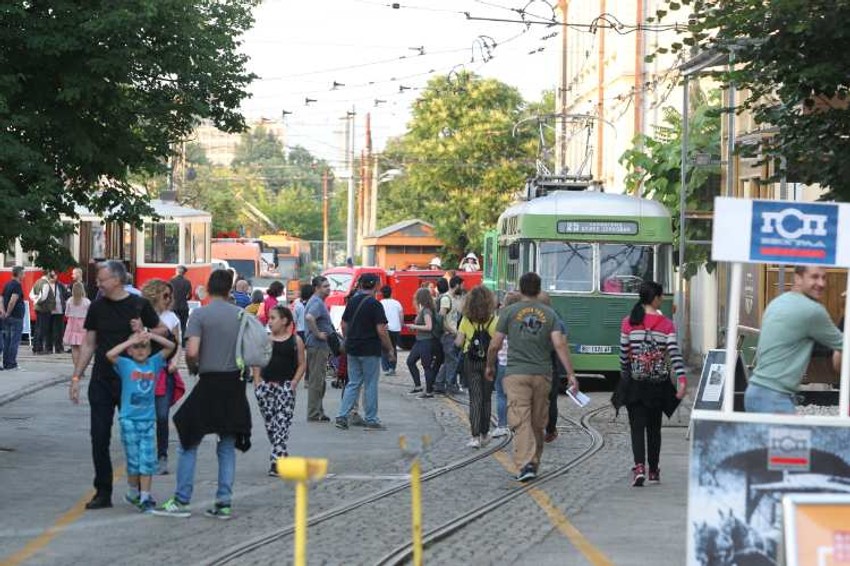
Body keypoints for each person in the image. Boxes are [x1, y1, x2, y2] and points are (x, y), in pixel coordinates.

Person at [154, 269, 253, 519]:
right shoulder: (240, 314)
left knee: (188, 438)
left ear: (208, 288)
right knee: (227, 444)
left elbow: (192, 351)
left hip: (210, 382)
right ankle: (223, 503)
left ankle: (182, 499)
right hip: (235, 384)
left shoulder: (200, 315)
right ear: (230, 289)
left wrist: (193, 366)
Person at [69, 260, 166, 509]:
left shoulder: (139, 304)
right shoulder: (97, 307)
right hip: (102, 379)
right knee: (99, 436)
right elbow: (89, 343)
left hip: (131, 383)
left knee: (136, 438)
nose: (98, 283)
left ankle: (139, 491)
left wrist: (144, 329)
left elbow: (163, 331)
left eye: (102, 279)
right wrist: (77, 376)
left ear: (117, 279)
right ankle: (103, 491)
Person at [485, 272, 578, 483]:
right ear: (538, 288)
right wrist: (571, 373)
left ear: (520, 289)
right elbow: (559, 344)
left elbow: (495, 344)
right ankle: (532, 461)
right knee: (537, 420)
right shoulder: (550, 314)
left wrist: (490, 365)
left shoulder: (509, 312)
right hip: (542, 374)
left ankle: (526, 463)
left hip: (516, 373)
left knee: (521, 418)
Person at [745, 265, 843, 414]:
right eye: (814, 277)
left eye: (824, 278)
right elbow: (843, 346)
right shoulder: (812, 311)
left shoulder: (777, 303)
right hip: (775, 397)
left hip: (754, 392)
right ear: (798, 278)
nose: (821, 283)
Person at [616, 281, 687, 486]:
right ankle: (654, 470)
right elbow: (674, 353)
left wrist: (625, 377)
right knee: (654, 428)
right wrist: (682, 380)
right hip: (657, 384)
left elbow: (624, 355)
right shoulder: (666, 324)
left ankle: (639, 467)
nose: (662, 299)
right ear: (655, 298)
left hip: (635, 383)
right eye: (661, 296)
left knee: (636, 427)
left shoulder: (628, 322)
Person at [106, 330, 175, 513]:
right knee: (134, 461)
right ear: (130, 350)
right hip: (129, 420)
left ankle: (145, 497)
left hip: (148, 420)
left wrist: (151, 336)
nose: (140, 350)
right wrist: (130, 342)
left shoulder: (154, 363)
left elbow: (171, 346)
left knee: (147, 460)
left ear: (150, 349)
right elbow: (110, 354)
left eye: (144, 346)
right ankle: (133, 492)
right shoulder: (126, 364)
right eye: (136, 347)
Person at [335, 274, 394, 430]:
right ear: (376, 286)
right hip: (370, 349)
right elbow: (381, 330)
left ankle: (342, 416)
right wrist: (389, 349)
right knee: (370, 384)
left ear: (361, 285)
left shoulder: (352, 302)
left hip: (353, 348)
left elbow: (344, 324)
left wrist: (348, 339)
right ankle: (371, 419)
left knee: (353, 383)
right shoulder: (375, 305)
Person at [253, 305, 306, 476]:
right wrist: (257, 382)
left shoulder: (296, 341)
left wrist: (294, 382)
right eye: (269, 318)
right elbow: (257, 361)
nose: (269, 322)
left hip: (285, 388)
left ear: (284, 321)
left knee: (282, 425)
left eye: (273, 318)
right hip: (266, 387)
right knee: (271, 426)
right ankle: (281, 454)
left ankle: (276, 463)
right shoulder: (266, 340)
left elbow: (302, 363)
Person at [142, 279, 184, 475]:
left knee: (161, 415)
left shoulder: (172, 318)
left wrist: (175, 362)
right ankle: (145, 453)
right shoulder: (142, 315)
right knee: (143, 416)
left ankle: (162, 456)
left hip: (164, 371)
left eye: (170, 296)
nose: (168, 299)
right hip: (143, 371)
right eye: (165, 295)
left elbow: (177, 343)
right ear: (155, 294)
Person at [454, 285, 498, 448]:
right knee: (486, 398)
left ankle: (474, 437)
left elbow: (459, 343)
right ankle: (485, 433)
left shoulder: (466, 320)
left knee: (475, 398)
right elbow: (497, 344)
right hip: (489, 362)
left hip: (471, 361)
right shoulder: (494, 320)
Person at [492, 292, 521, 438]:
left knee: (502, 395)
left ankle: (502, 425)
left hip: (504, 364)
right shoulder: (525, 321)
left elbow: (495, 344)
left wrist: (490, 364)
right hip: (520, 364)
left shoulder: (502, 320)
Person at [304, 276, 333, 422]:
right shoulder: (317, 302)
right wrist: (318, 334)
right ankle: (314, 413)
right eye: (325, 286)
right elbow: (310, 317)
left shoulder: (317, 301)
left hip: (318, 346)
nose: (328, 289)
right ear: (316, 288)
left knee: (320, 380)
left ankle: (318, 411)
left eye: (329, 286)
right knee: (317, 380)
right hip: (317, 346)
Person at [435, 275, 464, 393]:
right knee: (453, 360)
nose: (463, 288)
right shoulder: (446, 299)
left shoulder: (454, 299)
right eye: (462, 285)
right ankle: (450, 384)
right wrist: (452, 331)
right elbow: (441, 318)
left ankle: (439, 383)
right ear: (457, 285)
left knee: (449, 360)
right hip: (448, 334)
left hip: (452, 334)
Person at [406, 288, 436, 398]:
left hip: (426, 341)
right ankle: (418, 386)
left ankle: (429, 391)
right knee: (410, 361)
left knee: (426, 365)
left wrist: (414, 326)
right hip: (420, 340)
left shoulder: (426, 311)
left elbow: (429, 327)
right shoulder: (422, 309)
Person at [1, 266, 26, 369]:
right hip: (15, 316)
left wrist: (3, 311)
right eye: (23, 274)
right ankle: (11, 363)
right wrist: (8, 312)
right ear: (19, 274)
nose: (24, 276)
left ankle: (6, 362)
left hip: (7, 317)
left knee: (7, 340)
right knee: (14, 340)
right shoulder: (17, 286)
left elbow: (1, 299)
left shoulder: (7, 284)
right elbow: (13, 300)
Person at [63, 282, 91, 371]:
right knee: (83, 348)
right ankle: (82, 369)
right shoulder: (87, 301)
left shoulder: (70, 300)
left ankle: (77, 368)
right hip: (83, 325)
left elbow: (66, 313)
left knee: (74, 348)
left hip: (72, 325)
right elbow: (90, 314)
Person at [379, 285, 403, 376]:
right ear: (391, 293)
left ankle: (386, 367)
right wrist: (400, 325)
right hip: (396, 329)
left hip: (385, 328)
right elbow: (401, 316)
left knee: (384, 348)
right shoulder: (397, 303)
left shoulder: (380, 303)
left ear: (382, 294)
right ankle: (392, 367)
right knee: (393, 347)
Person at [30, 270, 54, 354]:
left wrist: (35, 300)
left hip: (38, 309)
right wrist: (38, 301)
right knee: (42, 329)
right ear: (48, 274)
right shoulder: (45, 284)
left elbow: (31, 294)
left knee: (37, 328)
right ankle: (39, 349)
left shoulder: (37, 282)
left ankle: (35, 347)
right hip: (45, 309)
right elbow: (44, 297)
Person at [170, 265, 192, 340]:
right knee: (183, 326)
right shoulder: (187, 282)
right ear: (184, 273)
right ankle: (183, 343)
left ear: (176, 271)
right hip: (184, 307)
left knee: (173, 326)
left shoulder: (171, 281)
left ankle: (174, 342)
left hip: (173, 307)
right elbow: (189, 296)